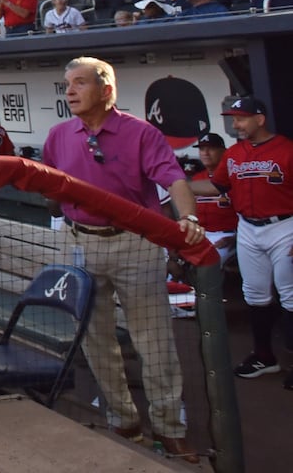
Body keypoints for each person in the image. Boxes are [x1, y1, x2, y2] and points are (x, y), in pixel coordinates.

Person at [41, 57, 203, 462]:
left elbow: (174, 179)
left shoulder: (141, 133)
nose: (71, 91)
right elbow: (45, 187)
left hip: (135, 242)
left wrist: (189, 218)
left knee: (155, 341)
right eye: (67, 85)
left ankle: (169, 427)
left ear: (106, 90)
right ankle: (123, 420)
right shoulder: (59, 134)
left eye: (80, 83)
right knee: (96, 340)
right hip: (81, 242)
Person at [192, 98, 293, 390]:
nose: (235, 124)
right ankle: (264, 356)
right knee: (255, 293)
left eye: (241, 119)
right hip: (248, 226)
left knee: (290, 295)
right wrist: (181, 184)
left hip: (284, 225)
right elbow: (217, 186)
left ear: (260, 120)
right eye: (233, 118)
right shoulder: (235, 153)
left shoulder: (286, 149)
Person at [189, 133, 238, 268]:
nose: (205, 153)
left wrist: (235, 238)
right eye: (202, 149)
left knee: (209, 265)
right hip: (200, 235)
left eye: (211, 148)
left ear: (223, 151)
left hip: (225, 235)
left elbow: (246, 214)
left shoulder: (233, 177)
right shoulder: (196, 179)